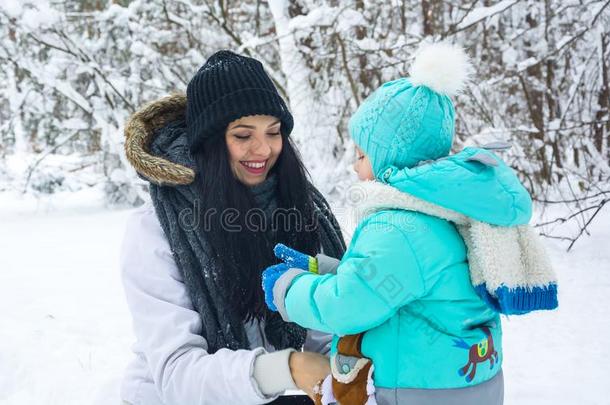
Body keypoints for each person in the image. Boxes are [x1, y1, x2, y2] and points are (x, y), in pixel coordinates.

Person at [262, 42, 557, 405]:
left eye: (362, 154)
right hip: (467, 386)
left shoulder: (397, 228)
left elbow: (350, 305)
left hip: (413, 392)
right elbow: (389, 283)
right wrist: (319, 269)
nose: (355, 167)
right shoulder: (448, 211)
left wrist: (290, 291)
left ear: (390, 160)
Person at [119, 50, 346, 405]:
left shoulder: (299, 209)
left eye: (274, 132)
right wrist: (288, 367)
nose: (263, 148)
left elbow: (330, 327)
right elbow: (177, 373)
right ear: (210, 143)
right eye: (243, 135)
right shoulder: (156, 229)